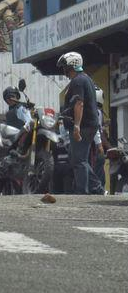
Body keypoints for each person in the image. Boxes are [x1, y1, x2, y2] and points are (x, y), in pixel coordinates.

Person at [57, 52, 100, 195]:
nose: (64, 71)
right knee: (78, 158)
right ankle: (97, 188)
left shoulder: (78, 81)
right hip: (88, 125)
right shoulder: (85, 79)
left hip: (84, 126)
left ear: (72, 66)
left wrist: (76, 126)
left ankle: (82, 192)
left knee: (79, 160)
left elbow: (79, 104)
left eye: (65, 67)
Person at [91, 87, 107, 193]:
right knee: (98, 168)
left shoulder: (95, 110)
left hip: (94, 145)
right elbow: (97, 129)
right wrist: (101, 144)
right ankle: (99, 189)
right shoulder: (97, 111)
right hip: (96, 145)